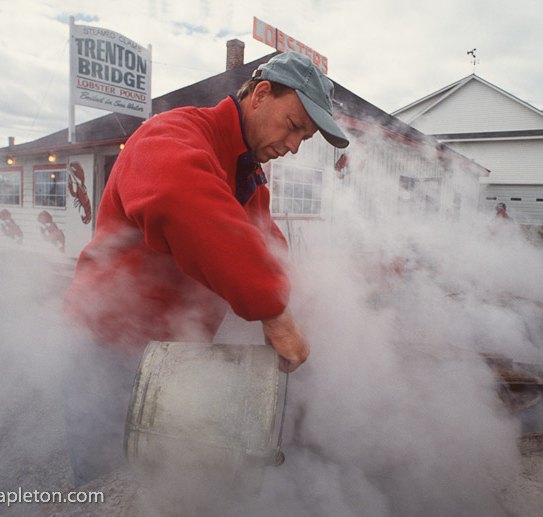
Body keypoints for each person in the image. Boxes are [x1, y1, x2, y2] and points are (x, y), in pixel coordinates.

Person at [61, 51, 349, 486]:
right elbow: (187, 206)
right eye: (293, 126)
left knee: (160, 479)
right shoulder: (172, 133)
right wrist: (273, 312)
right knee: (109, 485)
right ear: (261, 95)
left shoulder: (246, 175)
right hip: (107, 347)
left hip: (172, 355)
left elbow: (268, 250)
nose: (293, 146)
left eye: (304, 139)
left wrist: (314, 315)